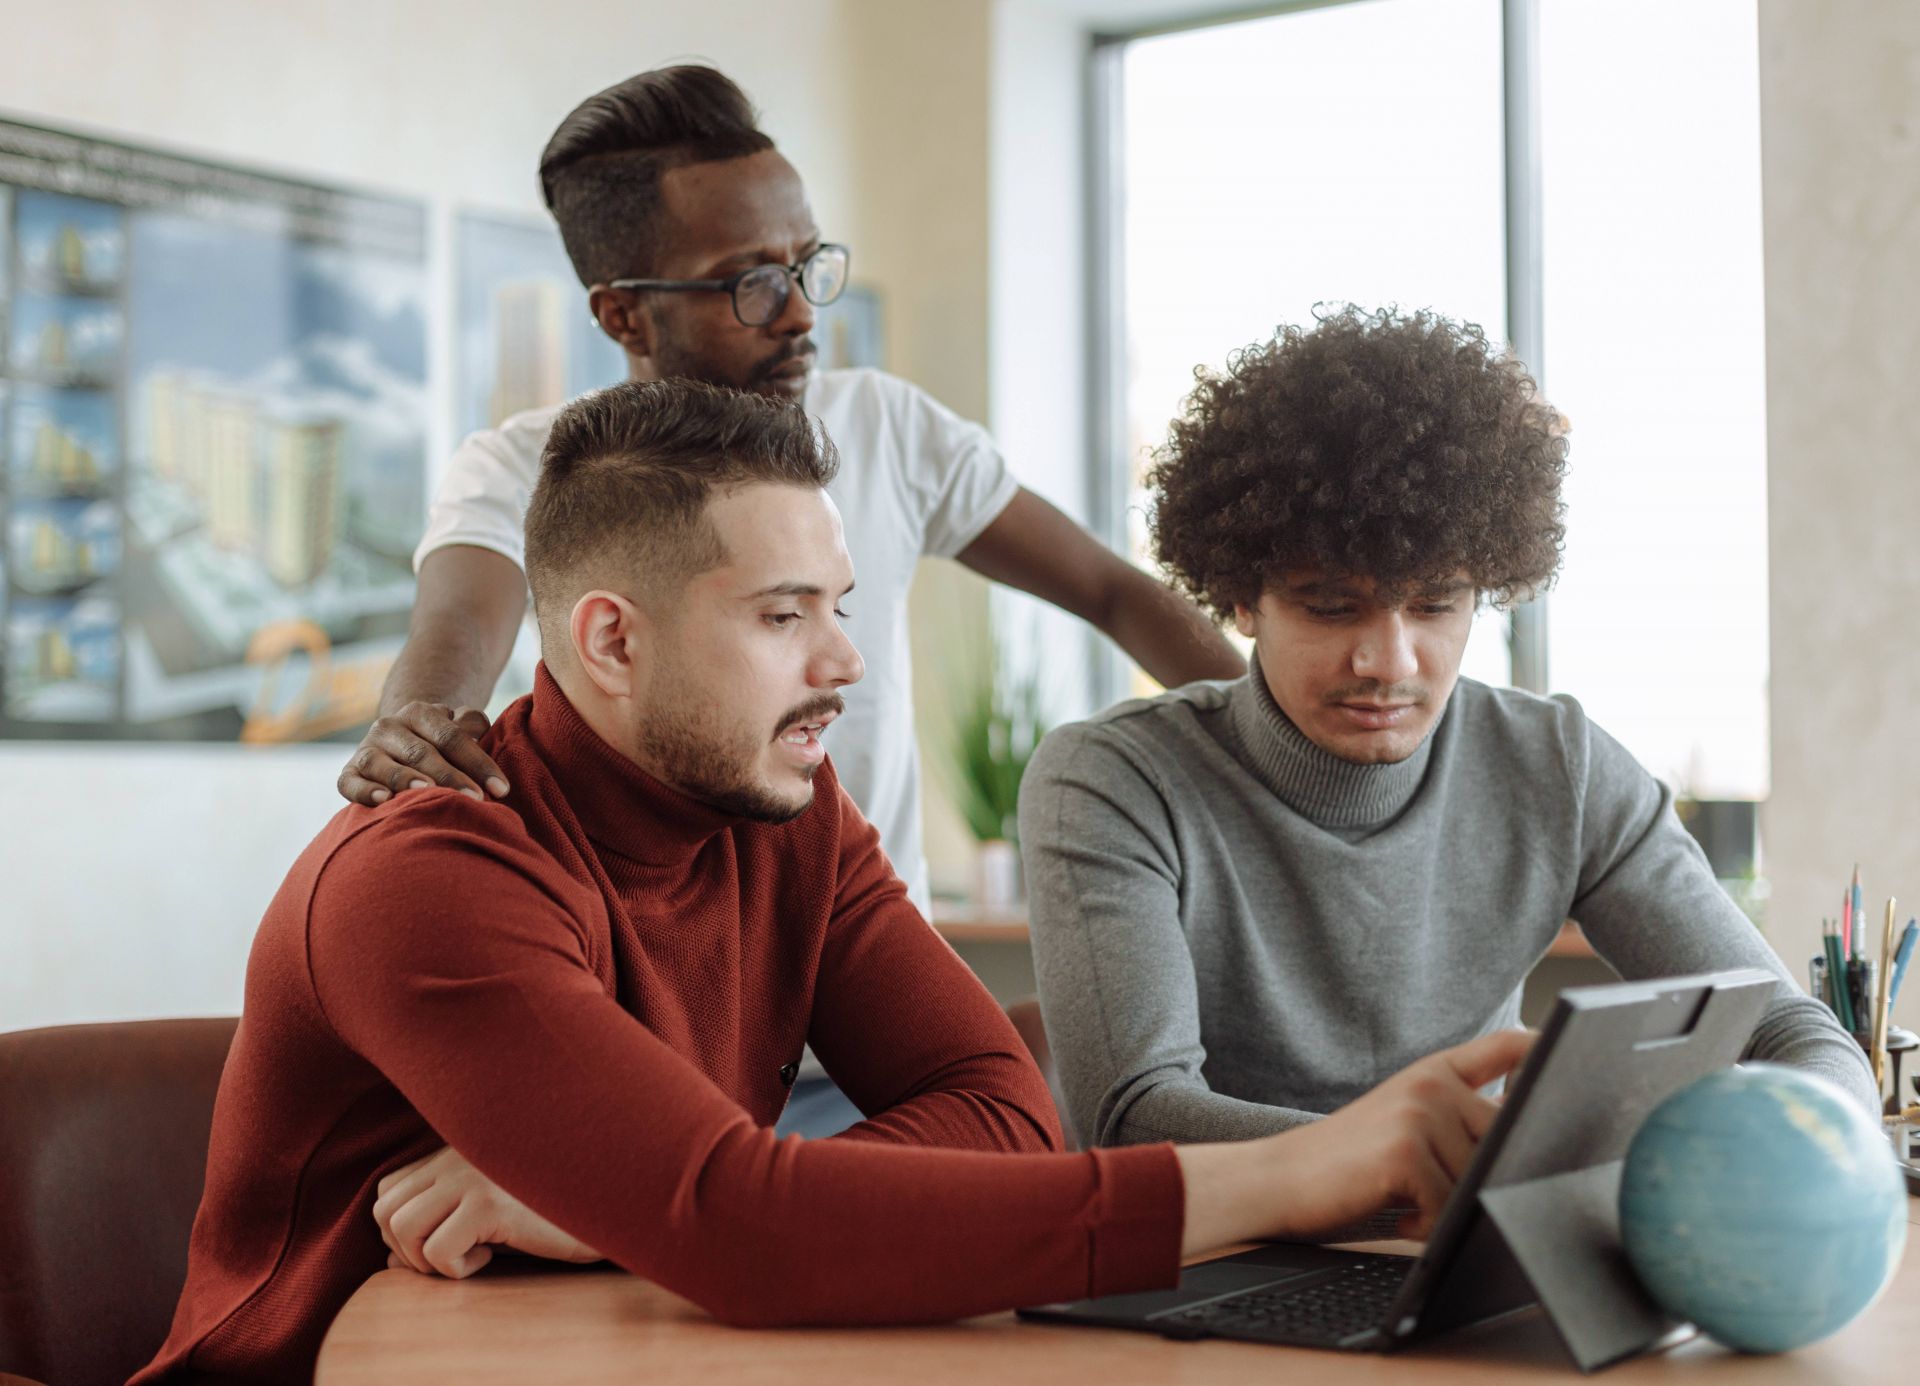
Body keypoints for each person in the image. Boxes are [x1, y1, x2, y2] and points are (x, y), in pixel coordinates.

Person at [136, 381, 1534, 1384]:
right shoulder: (430, 874)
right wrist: (1296, 1172)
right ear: (611, 640)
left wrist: (631, 1207)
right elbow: (742, 1231)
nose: (844, 663)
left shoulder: (786, 811)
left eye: (841, 607)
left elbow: (1000, 1114)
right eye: (782, 614)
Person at [337, 63, 1242, 916]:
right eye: (751, 283)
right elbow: (457, 626)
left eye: (808, 264)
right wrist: (421, 721)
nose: (804, 311)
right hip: (660, 1001)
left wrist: (1287, 751)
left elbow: (1114, 591)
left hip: (880, 1007)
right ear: (621, 312)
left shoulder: (891, 428)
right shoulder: (525, 467)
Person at [1019, 306, 1878, 1153]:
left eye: (1436, 605)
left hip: (1465, 1247)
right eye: (1330, 606)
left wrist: (1807, 1142)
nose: (1390, 661)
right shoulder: (1113, 781)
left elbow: (1791, 1035)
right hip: (1223, 1261)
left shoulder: (1560, 769)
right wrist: (1437, 1157)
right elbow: (1135, 1117)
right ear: (1242, 597)